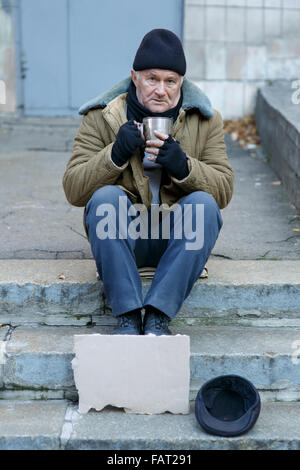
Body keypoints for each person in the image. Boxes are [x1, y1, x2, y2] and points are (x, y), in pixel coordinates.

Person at [62, 29, 234, 336]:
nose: (161, 90)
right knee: (104, 200)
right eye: (152, 79)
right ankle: (128, 317)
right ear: (134, 77)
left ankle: (158, 316)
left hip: (178, 241)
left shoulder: (205, 120)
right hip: (125, 239)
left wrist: (184, 168)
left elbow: (223, 190)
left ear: (181, 82)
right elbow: (74, 189)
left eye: (170, 81)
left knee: (204, 205)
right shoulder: (101, 117)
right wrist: (114, 153)